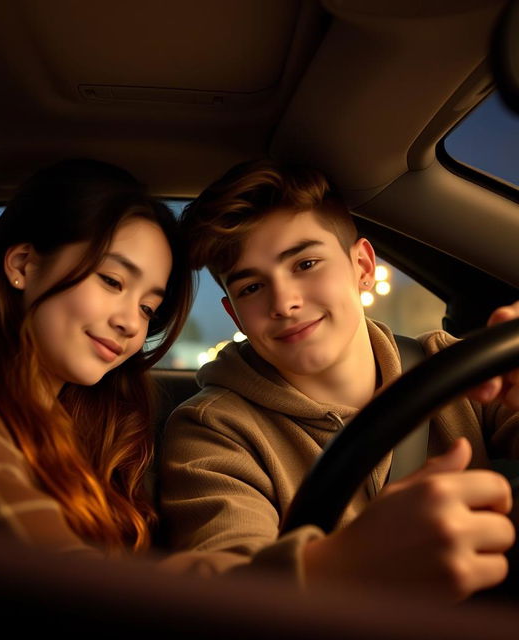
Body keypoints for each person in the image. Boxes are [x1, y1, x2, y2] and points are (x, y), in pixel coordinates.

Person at [159, 158, 518, 601]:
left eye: (306, 263)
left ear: (363, 267)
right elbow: (221, 588)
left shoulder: (456, 366)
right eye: (251, 288)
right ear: (235, 313)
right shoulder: (212, 430)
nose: (285, 302)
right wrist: (337, 566)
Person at [0, 158, 193, 555]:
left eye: (148, 307)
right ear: (23, 265)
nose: (131, 323)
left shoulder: (93, 428)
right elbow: (63, 576)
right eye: (112, 281)